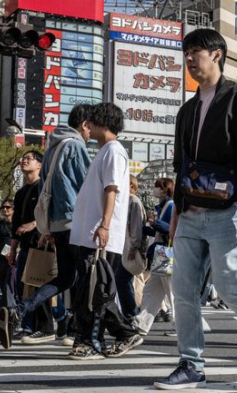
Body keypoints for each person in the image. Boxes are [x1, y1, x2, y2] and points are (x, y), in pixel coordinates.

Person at [155, 28, 237, 390]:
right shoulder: (187, 110)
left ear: (216, 55)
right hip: (189, 214)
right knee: (183, 291)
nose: (188, 58)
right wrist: (176, 213)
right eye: (185, 52)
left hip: (229, 210)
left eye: (195, 51)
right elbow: (180, 166)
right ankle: (191, 364)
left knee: (230, 286)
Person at [0, 105, 93, 349]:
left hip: (57, 225)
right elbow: (87, 185)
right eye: (91, 127)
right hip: (75, 221)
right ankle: (81, 335)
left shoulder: (52, 149)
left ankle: (19, 309)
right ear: (85, 124)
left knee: (64, 278)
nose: (91, 133)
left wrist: (47, 227)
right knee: (84, 278)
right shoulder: (75, 146)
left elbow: (43, 191)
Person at [67, 103, 143, 360]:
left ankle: (99, 340)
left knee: (96, 292)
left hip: (99, 235)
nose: (88, 125)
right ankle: (103, 337)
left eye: (92, 121)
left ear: (102, 122)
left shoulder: (113, 150)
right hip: (90, 233)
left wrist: (105, 225)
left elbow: (112, 190)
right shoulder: (104, 151)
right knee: (90, 291)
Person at [0, 150, 56, 347]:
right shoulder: (22, 192)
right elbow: (15, 226)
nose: (23, 161)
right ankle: (37, 325)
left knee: (39, 283)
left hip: (42, 242)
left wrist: (33, 225)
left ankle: (47, 327)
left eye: (28, 159)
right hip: (24, 246)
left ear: (39, 165)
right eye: (23, 159)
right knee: (25, 287)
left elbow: (49, 213)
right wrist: (12, 250)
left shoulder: (44, 187)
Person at [134, 178, 175, 336]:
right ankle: (141, 323)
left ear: (165, 190)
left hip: (166, 252)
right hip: (163, 252)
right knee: (152, 289)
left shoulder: (170, 205)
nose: (154, 190)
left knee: (170, 291)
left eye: (157, 187)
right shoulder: (165, 205)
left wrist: (154, 224)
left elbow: (171, 229)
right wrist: (148, 228)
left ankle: (181, 326)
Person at [116, 175, 146, 319]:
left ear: (131, 186)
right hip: (123, 246)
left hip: (129, 247)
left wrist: (134, 247)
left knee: (122, 279)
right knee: (122, 280)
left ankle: (131, 314)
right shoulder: (124, 201)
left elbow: (136, 226)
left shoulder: (133, 201)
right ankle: (130, 313)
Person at [0, 200, 14, 317]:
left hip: (14, 258)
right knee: (1, 283)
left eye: (8, 207)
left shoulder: (18, 223)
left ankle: (12, 310)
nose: (5, 209)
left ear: (13, 209)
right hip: (2, 258)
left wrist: (16, 251)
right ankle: (4, 311)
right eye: (3, 207)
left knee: (10, 285)